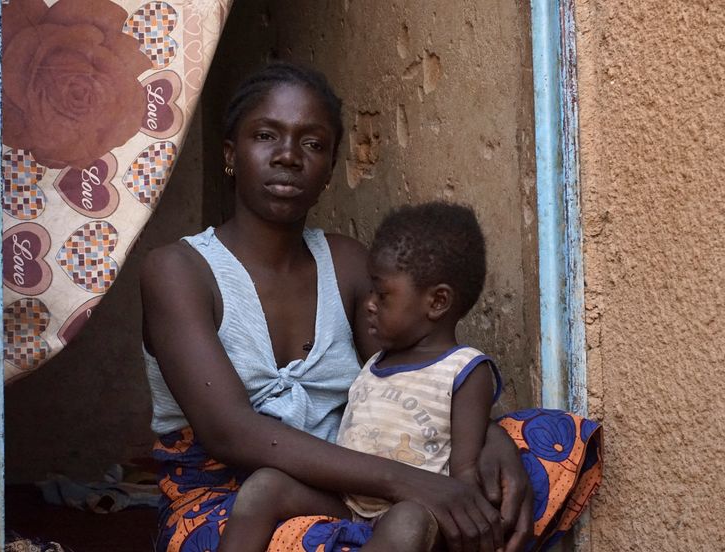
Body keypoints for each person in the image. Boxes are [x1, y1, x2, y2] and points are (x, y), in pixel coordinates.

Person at [140, 61, 602, 552]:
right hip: (230, 500)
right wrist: (413, 483)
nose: (289, 156)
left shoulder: (346, 263)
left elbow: (413, 371)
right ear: (231, 154)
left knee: (544, 440)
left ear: (330, 169)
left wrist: (486, 440)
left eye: (313, 144)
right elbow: (229, 433)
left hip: (355, 483)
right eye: (266, 136)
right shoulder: (179, 270)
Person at [218, 201, 506, 552]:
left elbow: (464, 476)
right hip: (350, 504)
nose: (368, 303)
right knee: (264, 486)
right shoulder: (374, 363)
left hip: (415, 509)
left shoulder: (465, 370)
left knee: (407, 524)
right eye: (370, 290)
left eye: (382, 295)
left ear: (437, 302)